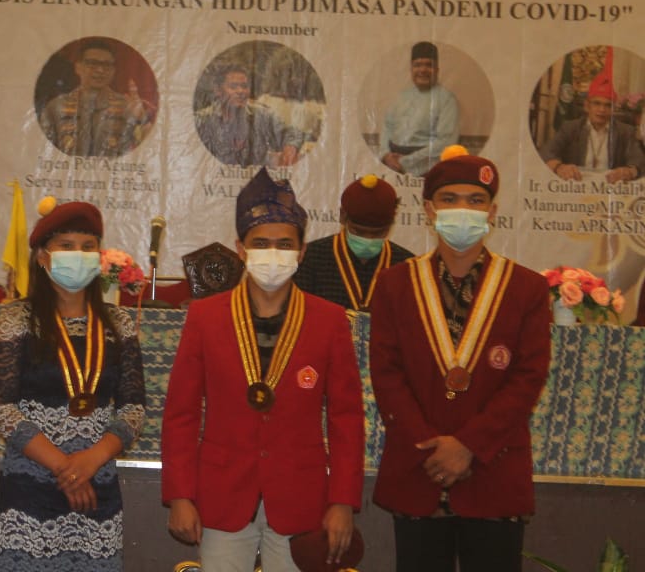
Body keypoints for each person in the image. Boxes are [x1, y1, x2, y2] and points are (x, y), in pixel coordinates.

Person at [162, 170, 365, 572]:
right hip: (222, 495)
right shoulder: (205, 317)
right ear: (241, 248)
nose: (273, 253)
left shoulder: (329, 321)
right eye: (261, 243)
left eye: (284, 244)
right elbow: (181, 414)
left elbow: (346, 419)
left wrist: (343, 501)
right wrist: (180, 495)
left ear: (301, 251)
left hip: (300, 497)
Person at [369, 145, 552, 572]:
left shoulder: (526, 288)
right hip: (419, 470)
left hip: (493, 470)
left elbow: (528, 378)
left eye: (475, 200)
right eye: (449, 199)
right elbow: (387, 375)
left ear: (492, 212)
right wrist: (431, 450)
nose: (463, 210)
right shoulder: (395, 284)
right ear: (429, 210)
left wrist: (469, 445)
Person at [0, 197, 145, 570]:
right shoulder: (14, 320)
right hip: (29, 489)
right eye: (67, 246)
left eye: (88, 247)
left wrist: (91, 460)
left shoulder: (119, 324)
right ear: (43, 257)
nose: (79, 254)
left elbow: (134, 408)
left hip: (97, 486)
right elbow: (0, 409)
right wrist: (66, 468)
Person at [294, 174, 414, 312]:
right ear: (342, 216)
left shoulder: (406, 266)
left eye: (378, 233)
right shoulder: (311, 258)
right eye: (359, 231)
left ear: (391, 223)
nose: (368, 239)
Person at [39, 38, 152, 157]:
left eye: (107, 65)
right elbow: (40, 149)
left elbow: (149, 151)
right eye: (92, 63)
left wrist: (141, 119)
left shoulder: (127, 107)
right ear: (78, 67)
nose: (100, 70)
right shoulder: (56, 107)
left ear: (113, 71)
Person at [539, 68, 644, 183]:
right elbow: (546, 152)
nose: (602, 110)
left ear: (613, 109)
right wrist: (560, 167)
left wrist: (629, 171)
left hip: (610, 188)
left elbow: (639, 161)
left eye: (608, 105)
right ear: (587, 106)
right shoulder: (570, 128)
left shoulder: (626, 131)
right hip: (577, 185)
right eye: (597, 103)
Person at [195, 66, 304, 167]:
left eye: (244, 86)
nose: (240, 91)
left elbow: (293, 132)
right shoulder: (202, 120)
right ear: (218, 90)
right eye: (233, 87)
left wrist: (291, 147)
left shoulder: (261, 115)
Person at [379, 42, 459, 177]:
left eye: (429, 65)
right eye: (417, 65)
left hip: (426, 167)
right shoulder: (401, 96)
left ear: (437, 70)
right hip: (392, 165)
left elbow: (446, 142)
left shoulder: (447, 99)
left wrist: (406, 161)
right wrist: (386, 155)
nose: (423, 70)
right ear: (411, 69)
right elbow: (387, 126)